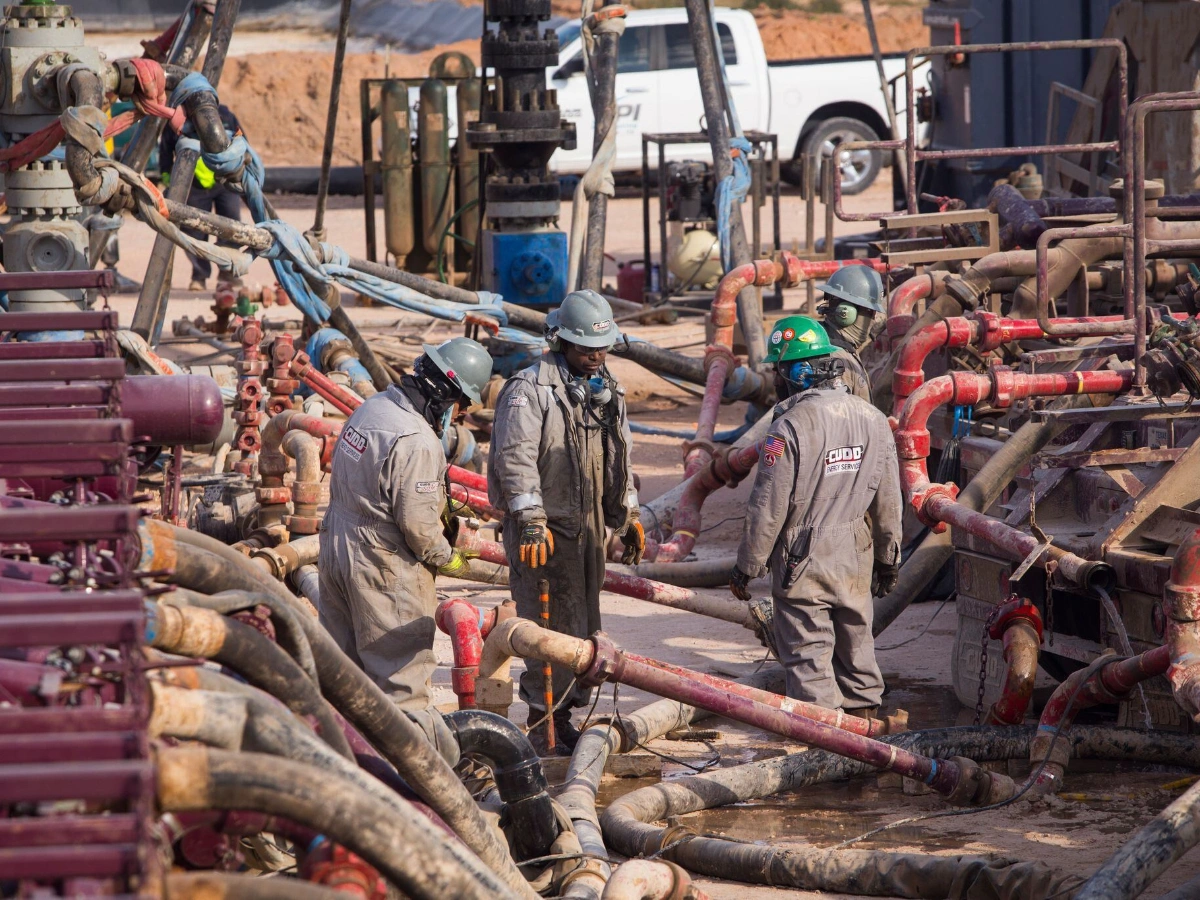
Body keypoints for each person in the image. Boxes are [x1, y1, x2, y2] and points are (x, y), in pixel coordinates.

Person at [489, 290, 643, 755]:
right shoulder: (528, 392)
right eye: (585, 348)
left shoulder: (607, 391)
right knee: (548, 626)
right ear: (560, 344)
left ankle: (566, 714)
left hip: (589, 531)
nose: (596, 356)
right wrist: (531, 521)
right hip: (546, 533)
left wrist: (630, 513)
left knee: (583, 626)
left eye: (602, 347)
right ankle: (542, 721)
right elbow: (514, 461)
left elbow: (622, 456)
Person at [318, 337, 493, 746]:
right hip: (382, 562)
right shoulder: (416, 438)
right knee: (401, 680)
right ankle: (409, 785)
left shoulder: (373, 407)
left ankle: (345, 765)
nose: (459, 415)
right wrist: (447, 559)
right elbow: (418, 527)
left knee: (344, 673)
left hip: (337, 545)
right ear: (444, 394)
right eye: (460, 406)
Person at [730, 316, 902, 718]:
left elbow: (768, 506)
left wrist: (747, 566)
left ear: (796, 373)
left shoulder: (787, 428)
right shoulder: (874, 419)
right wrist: (887, 557)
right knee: (857, 650)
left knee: (809, 659)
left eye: (778, 370)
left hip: (802, 559)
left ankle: (825, 752)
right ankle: (867, 736)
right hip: (856, 555)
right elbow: (889, 500)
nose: (774, 379)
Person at [159, 103, 245, 291]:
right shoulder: (178, 121)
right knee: (195, 233)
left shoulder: (225, 116)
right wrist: (169, 179)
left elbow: (242, 142)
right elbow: (165, 150)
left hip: (224, 181)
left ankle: (228, 274)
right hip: (193, 184)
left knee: (231, 228)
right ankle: (199, 275)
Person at [815, 265, 886, 403]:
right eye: (870, 312)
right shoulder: (837, 360)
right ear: (846, 313)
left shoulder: (830, 344)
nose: (873, 319)